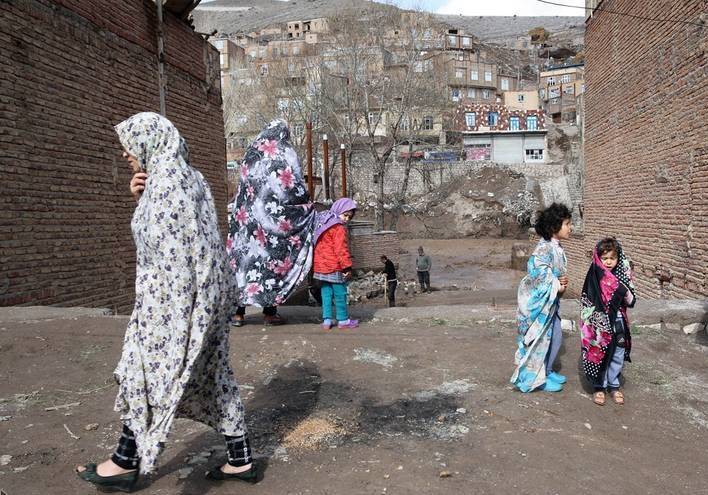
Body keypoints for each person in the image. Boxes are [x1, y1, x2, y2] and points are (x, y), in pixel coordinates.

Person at [76, 112, 257, 491]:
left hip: (172, 305)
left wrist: (174, 319)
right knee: (214, 375)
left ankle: (124, 462)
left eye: (129, 145)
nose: (126, 153)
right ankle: (240, 460)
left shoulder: (168, 184)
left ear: (149, 142)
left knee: (141, 372)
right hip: (202, 300)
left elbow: (167, 250)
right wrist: (140, 198)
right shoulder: (189, 178)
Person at [227, 119, 315, 327]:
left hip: (246, 221)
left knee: (244, 263)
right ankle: (269, 313)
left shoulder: (250, 153)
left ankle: (238, 314)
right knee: (271, 262)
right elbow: (293, 184)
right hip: (271, 222)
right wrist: (305, 203)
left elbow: (243, 187)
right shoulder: (285, 151)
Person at [510, 203, 572, 393]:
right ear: (554, 227)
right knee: (540, 341)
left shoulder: (555, 246)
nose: (570, 228)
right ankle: (534, 379)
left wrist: (559, 282)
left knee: (555, 337)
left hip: (551, 304)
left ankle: (547, 370)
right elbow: (538, 274)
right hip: (540, 307)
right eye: (567, 224)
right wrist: (558, 284)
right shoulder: (544, 249)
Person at [580, 237, 636, 406]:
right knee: (601, 353)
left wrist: (622, 289)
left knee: (617, 353)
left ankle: (614, 385)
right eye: (604, 258)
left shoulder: (622, 276)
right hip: (599, 325)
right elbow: (588, 302)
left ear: (618, 258)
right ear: (598, 258)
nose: (609, 262)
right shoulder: (594, 277)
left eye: (612, 258)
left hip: (618, 322)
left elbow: (631, 301)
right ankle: (599, 386)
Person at [313, 198, 358, 329]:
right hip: (334, 266)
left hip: (320, 267)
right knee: (340, 293)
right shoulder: (338, 228)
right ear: (338, 211)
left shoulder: (323, 223)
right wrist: (347, 267)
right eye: (345, 215)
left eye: (349, 217)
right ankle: (343, 320)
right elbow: (341, 250)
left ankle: (327, 320)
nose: (346, 219)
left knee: (326, 293)